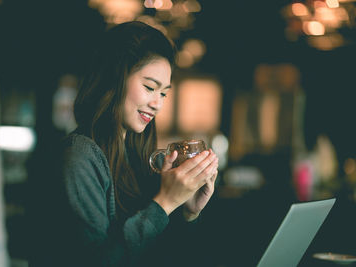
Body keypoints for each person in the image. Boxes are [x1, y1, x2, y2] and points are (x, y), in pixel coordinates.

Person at [29, 21, 218, 267]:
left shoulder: (137, 155)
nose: (158, 104)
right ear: (113, 78)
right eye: (150, 87)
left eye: (163, 93)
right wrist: (165, 202)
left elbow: (153, 254)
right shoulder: (78, 157)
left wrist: (187, 212)